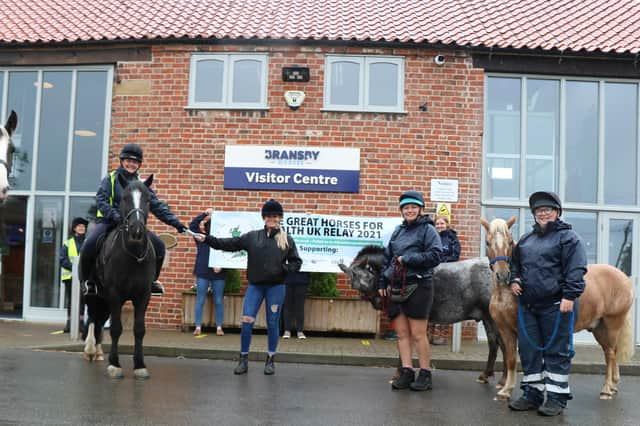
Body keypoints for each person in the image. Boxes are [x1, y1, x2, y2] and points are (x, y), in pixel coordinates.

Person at [194, 199, 302, 375]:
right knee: (246, 321)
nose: (272, 218)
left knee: (273, 323)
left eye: (275, 216)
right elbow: (229, 244)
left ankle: (270, 360)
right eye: (268, 215)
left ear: (279, 218)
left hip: (276, 287)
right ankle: (243, 359)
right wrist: (207, 239)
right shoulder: (252, 237)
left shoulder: (286, 239)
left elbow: (296, 262)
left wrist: (285, 269)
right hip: (255, 286)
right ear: (264, 217)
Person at [508, 191, 587, 417]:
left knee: (556, 352)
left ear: (557, 213)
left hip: (556, 305)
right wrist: (514, 279)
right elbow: (516, 265)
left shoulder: (569, 238)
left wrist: (569, 296)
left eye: (547, 209)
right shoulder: (526, 240)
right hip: (528, 307)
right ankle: (532, 394)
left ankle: (556, 397)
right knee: (529, 351)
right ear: (534, 214)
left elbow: (576, 270)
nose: (542, 213)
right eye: (538, 210)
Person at [79, 143, 187, 296]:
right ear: (122, 161)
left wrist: (176, 223)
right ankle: (88, 281)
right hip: (109, 222)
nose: (131, 164)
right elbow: (101, 200)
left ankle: (152, 281)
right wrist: (116, 215)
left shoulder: (142, 184)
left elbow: (156, 205)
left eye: (135, 162)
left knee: (159, 246)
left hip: (134, 224)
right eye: (128, 160)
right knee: (89, 244)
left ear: (139, 164)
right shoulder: (110, 179)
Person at [378, 190, 442, 391]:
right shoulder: (397, 232)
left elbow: (435, 256)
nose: (410, 210)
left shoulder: (428, 231)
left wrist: (407, 259)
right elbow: (387, 258)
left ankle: (425, 373)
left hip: (419, 285)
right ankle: (407, 371)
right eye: (406, 208)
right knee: (402, 333)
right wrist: (382, 282)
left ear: (421, 209)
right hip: (397, 287)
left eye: (413, 207)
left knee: (418, 334)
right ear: (402, 210)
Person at [190, 208, 226, 336]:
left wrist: (222, 266)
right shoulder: (201, 238)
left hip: (218, 274)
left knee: (218, 300)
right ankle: (198, 327)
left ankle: (219, 327)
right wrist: (204, 214)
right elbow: (192, 226)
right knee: (200, 299)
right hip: (203, 271)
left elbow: (229, 256)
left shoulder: (222, 241)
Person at [429, 214, 461, 345]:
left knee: (445, 303)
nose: (439, 226)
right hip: (433, 274)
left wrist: (442, 261)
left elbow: (455, 254)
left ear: (447, 225)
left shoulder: (452, 238)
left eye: (442, 223)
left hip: (447, 274)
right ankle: (430, 335)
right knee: (431, 302)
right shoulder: (431, 237)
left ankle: (442, 336)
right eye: (437, 224)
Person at [59, 217, 88, 333]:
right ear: (74, 228)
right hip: (70, 277)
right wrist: (75, 268)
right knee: (71, 301)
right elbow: (62, 259)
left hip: (83, 277)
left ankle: (80, 323)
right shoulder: (68, 243)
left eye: (83, 226)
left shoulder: (88, 242)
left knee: (83, 301)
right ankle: (69, 324)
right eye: (79, 226)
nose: (81, 228)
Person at [282, 271, 310, 339]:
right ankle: (287, 330)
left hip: (302, 280)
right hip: (287, 279)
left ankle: (300, 331)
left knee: (299, 307)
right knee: (287, 306)